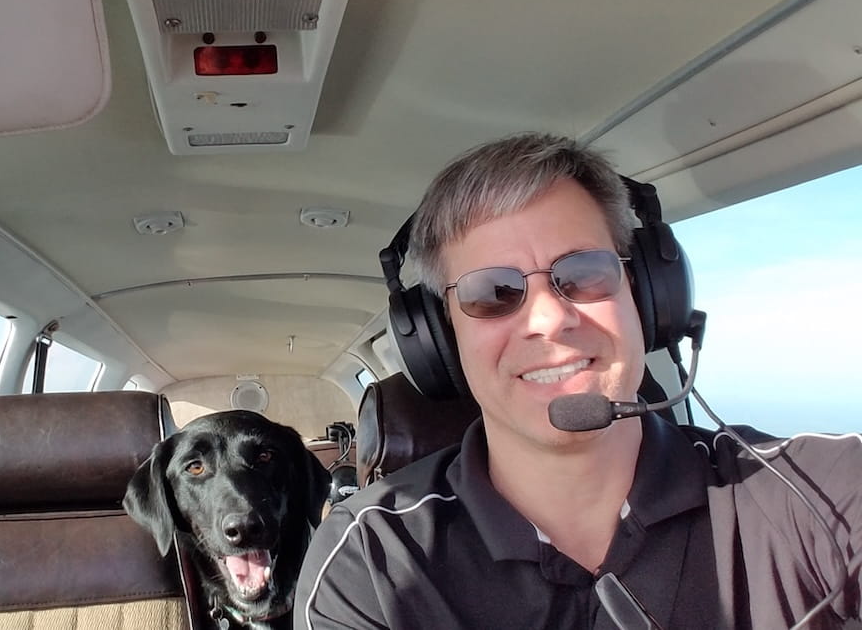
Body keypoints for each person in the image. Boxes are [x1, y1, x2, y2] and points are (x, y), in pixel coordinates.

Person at [294, 133, 862, 628]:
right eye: (492, 293)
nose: (549, 318)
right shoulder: (371, 558)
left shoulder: (819, 492)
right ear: (443, 340)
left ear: (645, 294)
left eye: (583, 273)